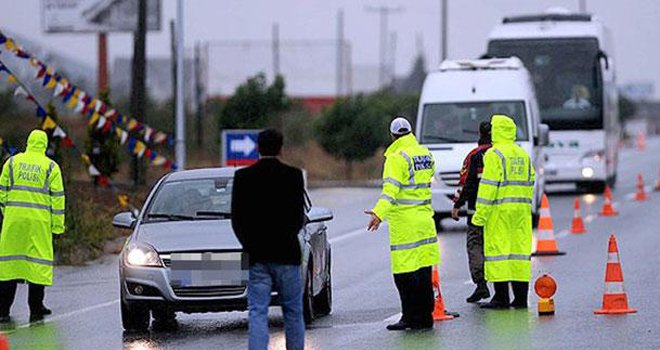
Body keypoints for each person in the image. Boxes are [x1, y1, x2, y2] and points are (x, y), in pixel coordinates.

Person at [231, 129, 306, 350]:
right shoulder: (293, 176)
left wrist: (250, 244)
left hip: (257, 257)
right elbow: (297, 217)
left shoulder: (243, 177)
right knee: (293, 311)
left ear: (257, 148)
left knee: (257, 312)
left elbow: (238, 219)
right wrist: (286, 236)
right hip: (287, 255)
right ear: (281, 148)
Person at [365, 116, 440, 331]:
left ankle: (409, 317)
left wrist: (378, 214)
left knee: (404, 274)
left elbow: (390, 191)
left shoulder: (396, 157)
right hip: (425, 219)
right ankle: (426, 318)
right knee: (424, 271)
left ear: (392, 135)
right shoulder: (424, 153)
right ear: (410, 132)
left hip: (405, 224)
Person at [0, 130, 65, 323]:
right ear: (44, 145)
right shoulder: (51, 167)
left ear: (28, 143)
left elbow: (1, 190)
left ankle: (3, 310)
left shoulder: (12, 162)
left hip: (14, 221)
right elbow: (58, 200)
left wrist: (8, 211)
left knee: (9, 265)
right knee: (38, 264)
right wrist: (57, 227)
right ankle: (36, 308)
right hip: (40, 222)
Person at [471, 115, 535, 309]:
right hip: (522, 212)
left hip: (499, 212)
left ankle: (501, 297)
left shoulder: (494, 154)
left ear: (496, 131)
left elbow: (488, 188)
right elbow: (531, 180)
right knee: (519, 254)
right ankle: (521, 298)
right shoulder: (522, 154)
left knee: (499, 253)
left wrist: (479, 216)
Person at [451, 121, 492, 303]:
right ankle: (503, 289)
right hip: (499, 212)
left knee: (475, 245)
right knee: (497, 247)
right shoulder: (502, 154)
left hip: (476, 211)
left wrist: (457, 204)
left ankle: (481, 284)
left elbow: (466, 183)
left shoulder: (474, 156)